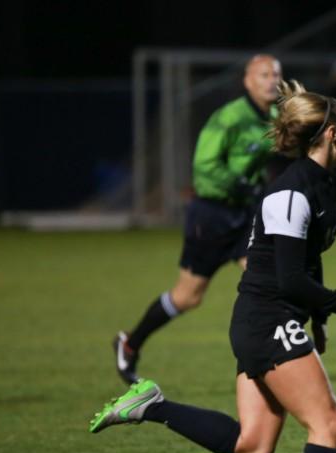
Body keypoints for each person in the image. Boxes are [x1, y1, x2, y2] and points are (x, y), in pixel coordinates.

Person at [90, 80, 336, 453]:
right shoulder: (288, 194)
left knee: (252, 447)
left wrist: (320, 319)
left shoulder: (328, 188)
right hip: (266, 317)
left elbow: (307, 263)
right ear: (332, 133)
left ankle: (151, 405)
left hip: (273, 317)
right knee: (328, 423)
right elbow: (290, 278)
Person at [113, 54, 283, 384]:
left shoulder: (274, 117)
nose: (272, 80)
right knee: (188, 297)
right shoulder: (229, 118)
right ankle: (130, 343)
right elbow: (204, 168)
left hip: (245, 214)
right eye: (264, 74)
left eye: (276, 74)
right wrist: (242, 183)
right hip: (212, 214)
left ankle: (272, 358)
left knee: (265, 278)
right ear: (248, 81)